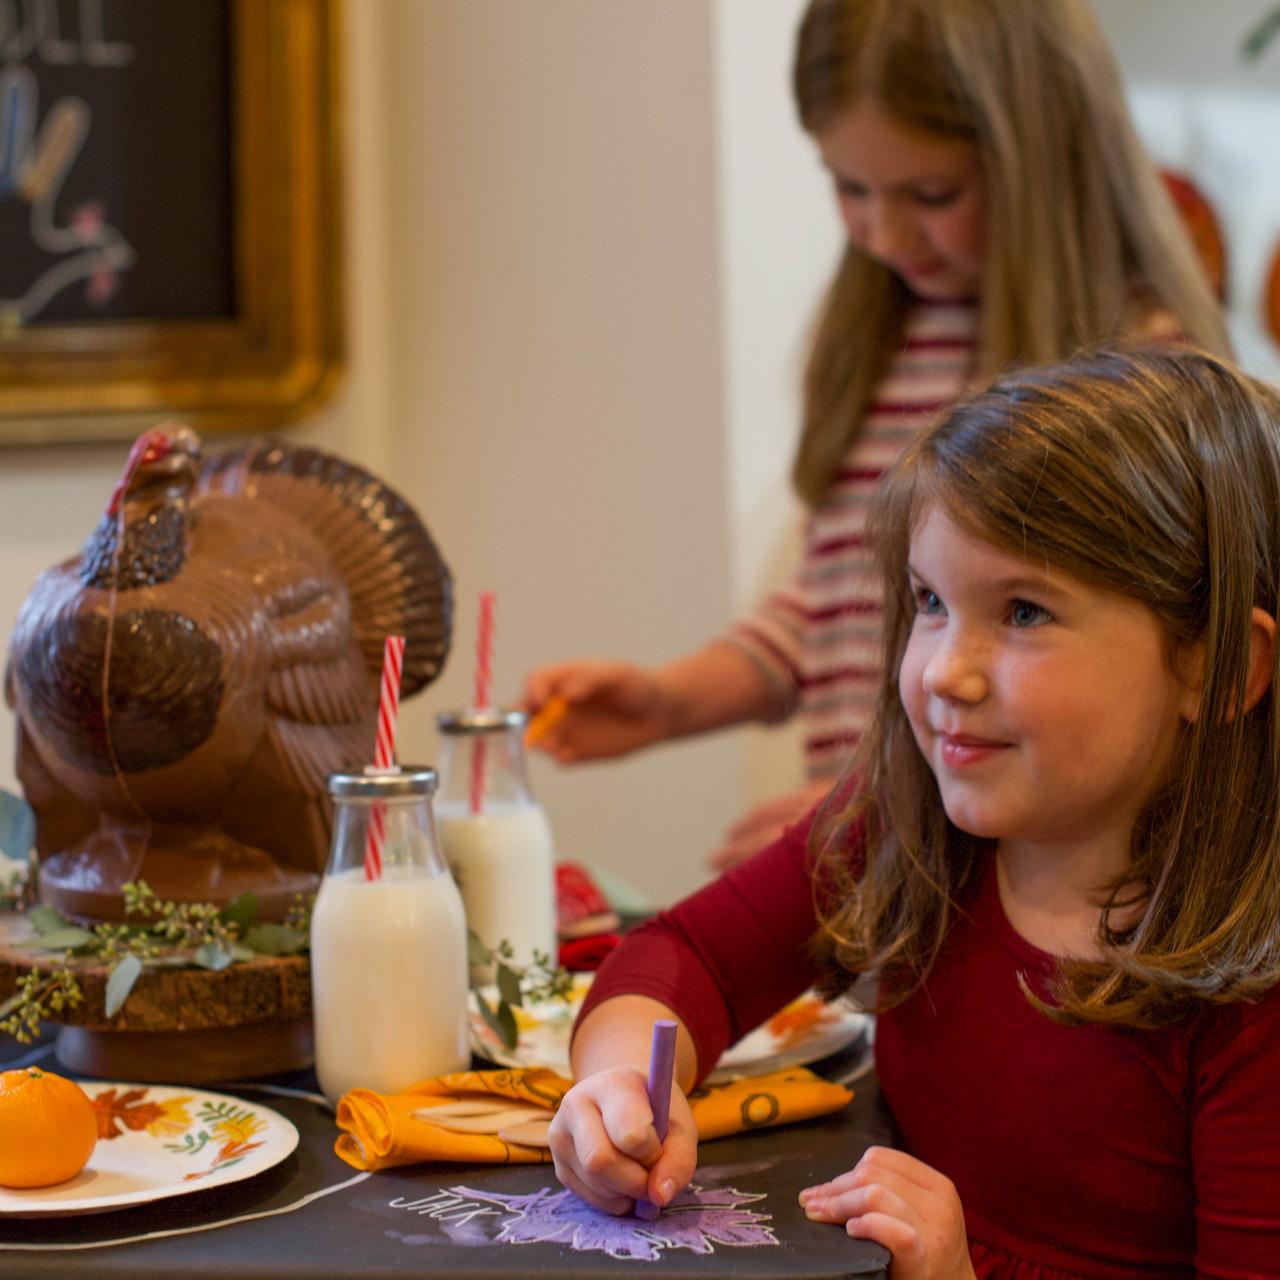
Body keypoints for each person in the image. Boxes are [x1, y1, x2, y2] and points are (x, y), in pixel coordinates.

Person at [548, 348, 1280, 1276]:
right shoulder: (906, 826)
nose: (944, 670)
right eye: (931, 602)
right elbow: (684, 959)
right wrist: (614, 1087)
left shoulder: (1255, 1006)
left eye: (1023, 612)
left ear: (1215, 669)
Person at [523, 0, 1232, 873]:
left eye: (931, 195)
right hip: (881, 892)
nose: (885, 233)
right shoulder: (884, 345)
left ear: (1045, 157)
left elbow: (1123, 702)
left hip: (1028, 899)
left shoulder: (1144, 375)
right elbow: (833, 601)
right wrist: (671, 702)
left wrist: (887, 807)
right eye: (849, 187)